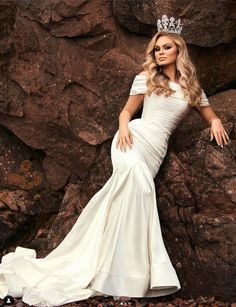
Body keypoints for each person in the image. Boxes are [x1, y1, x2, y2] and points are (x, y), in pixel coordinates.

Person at [0, 18, 229, 307]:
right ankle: (126, 277)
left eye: (166, 47)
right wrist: (124, 129)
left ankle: (117, 270)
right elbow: (125, 113)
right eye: (156, 48)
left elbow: (209, 114)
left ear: (178, 51)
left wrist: (217, 121)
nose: (160, 53)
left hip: (155, 150)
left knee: (126, 196)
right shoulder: (146, 78)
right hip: (130, 141)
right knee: (141, 187)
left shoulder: (191, 89)